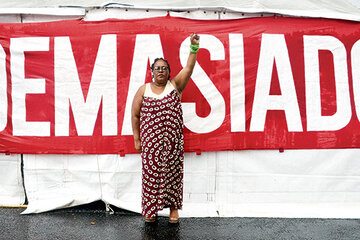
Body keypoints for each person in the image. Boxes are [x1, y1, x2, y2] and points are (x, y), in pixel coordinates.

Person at [131, 33, 200, 223]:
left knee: (173, 175)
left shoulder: (175, 85)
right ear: (152, 71)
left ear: (169, 72)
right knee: (151, 177)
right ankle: (150, 210)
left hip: (172, 143)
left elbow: (189, 67)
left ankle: (173, 210)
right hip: (151, 144)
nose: (160, 71)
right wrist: (137, 139)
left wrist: (193, 48)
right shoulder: (143, 90)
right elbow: (135, 115)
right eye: (157, 68)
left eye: (164, 68)